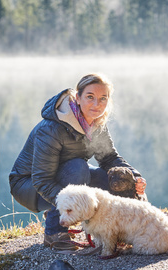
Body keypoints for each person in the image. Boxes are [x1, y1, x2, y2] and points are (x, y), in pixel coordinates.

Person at [9, 73, 146, 250]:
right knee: (78, 167)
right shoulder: (52, 128)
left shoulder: (97, 124)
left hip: (68, 175)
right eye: (90, 97)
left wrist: (134, 177)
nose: (97, 104)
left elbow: (109, 158)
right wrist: (73, 207)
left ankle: (123, 230)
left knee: (117, 179)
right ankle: (54, 233)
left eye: (102, 98)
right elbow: (42, 180)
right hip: (29, 185)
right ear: (77, 98)